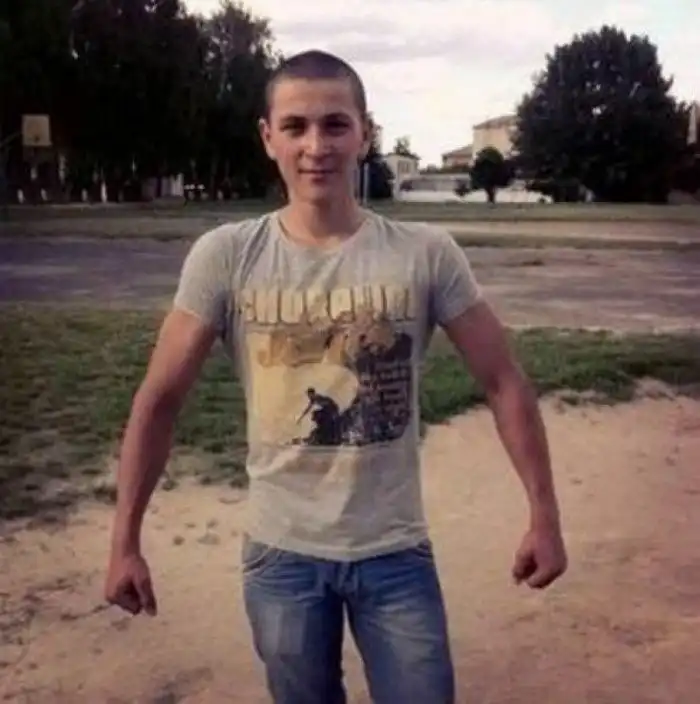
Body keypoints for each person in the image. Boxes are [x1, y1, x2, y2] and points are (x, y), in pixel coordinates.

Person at [104, 49, 568, 703]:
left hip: (395, 551)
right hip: (281, 555)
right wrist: (124, 542)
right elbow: (159, 400)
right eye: (295, 126)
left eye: (335, 124)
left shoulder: (425, 255)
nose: (316, 146)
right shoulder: (227, 256)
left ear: (365, 134)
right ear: (268, 137)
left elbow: (503, 380)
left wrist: (544, 516)